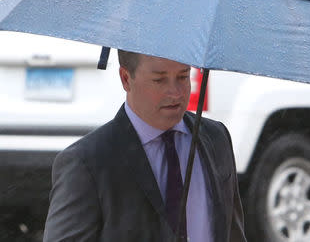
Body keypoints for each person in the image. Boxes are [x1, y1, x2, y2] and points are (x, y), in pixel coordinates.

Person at [43, 50, 247, 242]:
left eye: (183, 77)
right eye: (159, 80)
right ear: (125, 79)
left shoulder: (216, 138)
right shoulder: (87, 162)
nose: (175, 92)